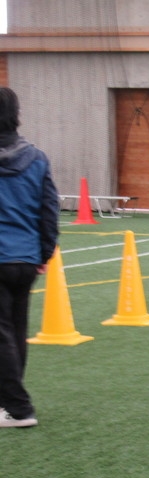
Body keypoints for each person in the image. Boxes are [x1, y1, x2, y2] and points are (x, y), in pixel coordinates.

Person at [0, 87, 59, 428]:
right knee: (15, 330)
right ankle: (9, 403)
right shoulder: (36, 158)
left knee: (3, 334)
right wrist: (45, 252)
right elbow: (48, 210)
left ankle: (19, 407)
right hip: (25, 257)